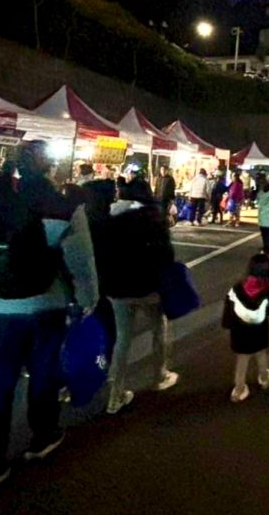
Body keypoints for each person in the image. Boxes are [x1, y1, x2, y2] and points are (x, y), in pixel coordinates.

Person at [0, 141, 98, 502]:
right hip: (45, 303)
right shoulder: (63, 205)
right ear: (48, 167)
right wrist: (88, 301)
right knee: (43, 372)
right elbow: (81, 261)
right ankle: (43, 436)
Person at [102, 177, 180, 414]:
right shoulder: (153, 218)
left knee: (122, 338)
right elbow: (167, 256)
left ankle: (115, 396)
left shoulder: (111, 216)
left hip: (117, 288)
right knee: (158, 329)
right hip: (149, 288)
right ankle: (159, 375)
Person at [223, 253, 269, 403]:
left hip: (239, 331)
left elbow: (228, 310)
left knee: (242, 359)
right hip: (259, 330)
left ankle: (239, 390)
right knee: (261, 354)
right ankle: (264, 378)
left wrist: (228, 324)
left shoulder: (237, 288)